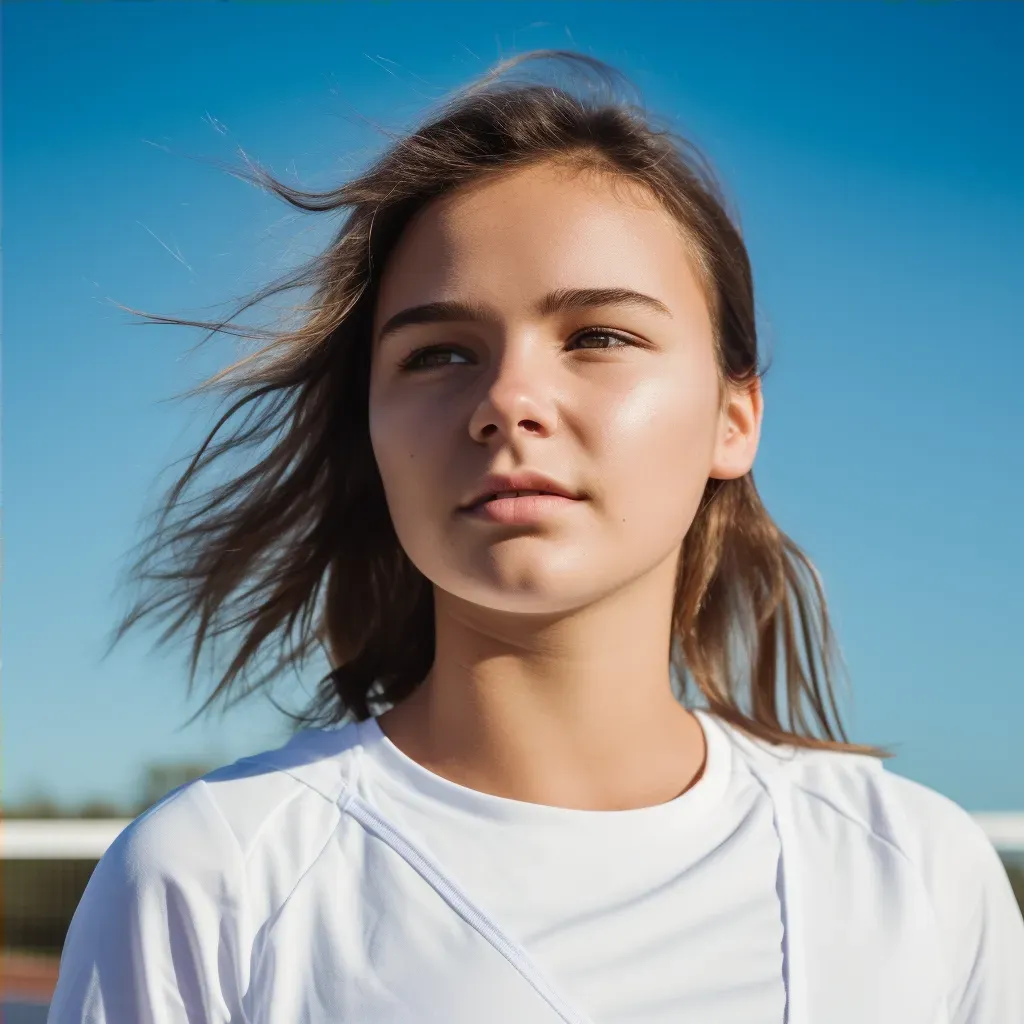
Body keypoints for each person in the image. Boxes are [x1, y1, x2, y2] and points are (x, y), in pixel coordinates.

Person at [48, 50, 1023, 1024]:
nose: (508, 401)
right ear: (372, 429)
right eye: (437, 354)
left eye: (597, 336)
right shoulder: (211, 880)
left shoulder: (915, 874)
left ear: (735, 418)